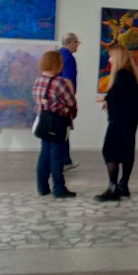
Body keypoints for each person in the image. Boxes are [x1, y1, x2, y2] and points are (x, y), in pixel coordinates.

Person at [94, 44, 138, 202]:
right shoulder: (131, 74)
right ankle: (124, 186)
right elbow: (128, 97)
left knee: (109, 151)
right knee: (127, 152)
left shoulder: (121, 74)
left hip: (119, 120)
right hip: (130, 120)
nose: (109, 60)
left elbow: (120, 97)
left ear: (118, 57)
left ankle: (113, 188)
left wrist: (105, 98)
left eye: (111, 56)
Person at [33, 50, 77, 198]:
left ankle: (42, 187)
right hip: (57, 124)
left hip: (43, 122)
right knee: (56, 155)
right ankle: (59, 188)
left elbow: (38, 102)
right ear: (56, 63)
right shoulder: (60, 83)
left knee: (44, 154)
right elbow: (70, 102)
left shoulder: (38, 80)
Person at [59, 32, 81, 172]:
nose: (78, 45)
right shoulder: (69, 57)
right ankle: (64, 161)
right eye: (76, 42)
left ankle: (66, 160)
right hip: (64, 101)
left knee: (61, 131)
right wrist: (72, 101)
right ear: (70, 42)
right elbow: (68, 80)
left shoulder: (57, 54)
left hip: (55, 100)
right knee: (64, 131)